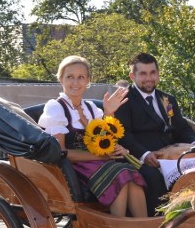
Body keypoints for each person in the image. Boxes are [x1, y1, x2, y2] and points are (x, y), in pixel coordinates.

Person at [38, 55, 149, 217]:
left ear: (88, 80)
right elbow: (60, 152)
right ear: (61, 79)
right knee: (120, 173)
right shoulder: (55, 108)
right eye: (70, 77)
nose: (75, 83)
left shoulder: (91, 108)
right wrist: (102, 156)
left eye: (81, 77)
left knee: (130, 173)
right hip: (73, 166)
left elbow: (104, 140)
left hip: (97, 163)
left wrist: (109, 114)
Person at [115, 52, 195, 205]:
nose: (149, 78)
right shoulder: (124, 100)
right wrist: (144, 154)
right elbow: (124, 135)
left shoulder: (167, 99)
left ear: (158, 74)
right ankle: (157, 223)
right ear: (132, 76)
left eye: (152, 72)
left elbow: (181, 128)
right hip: (140, 157)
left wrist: (194, 145)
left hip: (171, 155)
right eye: (143, 73)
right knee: (153, 176)